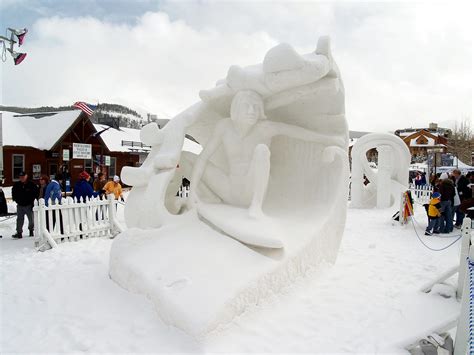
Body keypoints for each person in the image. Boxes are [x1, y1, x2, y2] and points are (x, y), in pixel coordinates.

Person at [190, 90, 345, 218]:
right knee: (187, 158)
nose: (252, 111)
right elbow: (204, 157)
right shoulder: (224, 126)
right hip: (229, 190)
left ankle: (256, 207)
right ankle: (200, 195)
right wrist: (191, 190)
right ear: (236, 108)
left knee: (261, 150)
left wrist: (329, 139)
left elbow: (298, 133)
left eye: (256, 107)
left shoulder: (265, 128)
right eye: (246, 106)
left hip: (249, 193)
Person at [11, 172, 39, 238]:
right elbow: (13, 193)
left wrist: (33, 201)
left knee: (31, 219)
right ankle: (19, 232)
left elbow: (36, 193)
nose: (22, 178)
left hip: (29, 205)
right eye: (20, 177)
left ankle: (31, 230)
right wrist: (15, 199)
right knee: (19, 219)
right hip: (20, 205)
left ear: (26, 176)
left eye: (23, 177)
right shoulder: (16, 185)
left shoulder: (31, 184)